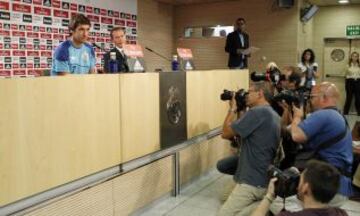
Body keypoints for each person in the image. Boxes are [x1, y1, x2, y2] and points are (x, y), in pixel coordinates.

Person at [218, 81, 281, 216]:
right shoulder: (270, 112)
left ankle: (263, 205)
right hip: (257, 174)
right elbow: (242, 132)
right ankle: (261, 203)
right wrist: (241, 110)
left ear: (260, 94)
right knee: (224, 197)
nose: (246, 95)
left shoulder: (258, 112)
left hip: (253, 181)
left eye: (249, 92)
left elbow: (225, 133)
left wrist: (232, 109)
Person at [290, 82, 353, 206]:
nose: (310, 101)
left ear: (324, 97)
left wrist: (297, 116)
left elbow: (296, 135)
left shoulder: (323, 114)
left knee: (280, 202)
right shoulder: (337, 116)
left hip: (325, 185)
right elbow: (290, 129)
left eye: (312, 97)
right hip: (340, 186)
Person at [251, 160, 348, 216]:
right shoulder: (341, 213)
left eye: (300, 180)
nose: (297, 186)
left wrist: (269, 196)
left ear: (306, 188)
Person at [343, 51, 360, 115]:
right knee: (349, 97)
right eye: (353, 56)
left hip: (358, 82)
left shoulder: (359, 65)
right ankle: (345, 112)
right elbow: (345, 75)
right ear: (351, 57)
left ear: (358, 57)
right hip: (350, 82)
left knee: (358, 98)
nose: (354, 57)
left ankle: (359, 112)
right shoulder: (348, 65)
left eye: (356, 56)